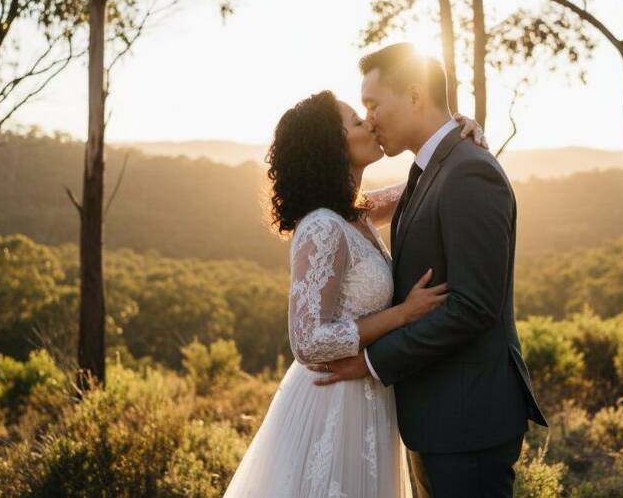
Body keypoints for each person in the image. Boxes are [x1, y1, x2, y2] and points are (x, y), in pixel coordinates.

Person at [310, 43, 548, 498]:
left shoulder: (469, 172)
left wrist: (371, 363)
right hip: (436, 418)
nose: (371, 118)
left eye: (373, 104)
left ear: (416, 95)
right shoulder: (431, 169)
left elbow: (474, 306)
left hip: (468, 421)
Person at [221, 88, 486, 497]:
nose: (371, 123)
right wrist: (402, 314)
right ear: (334, 145)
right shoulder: (323, 226)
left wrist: (454, 137)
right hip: (334, 405)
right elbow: (308, 341)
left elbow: (419, 186)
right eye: (357, 121)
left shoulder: (355, 215)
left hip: (366, 399)